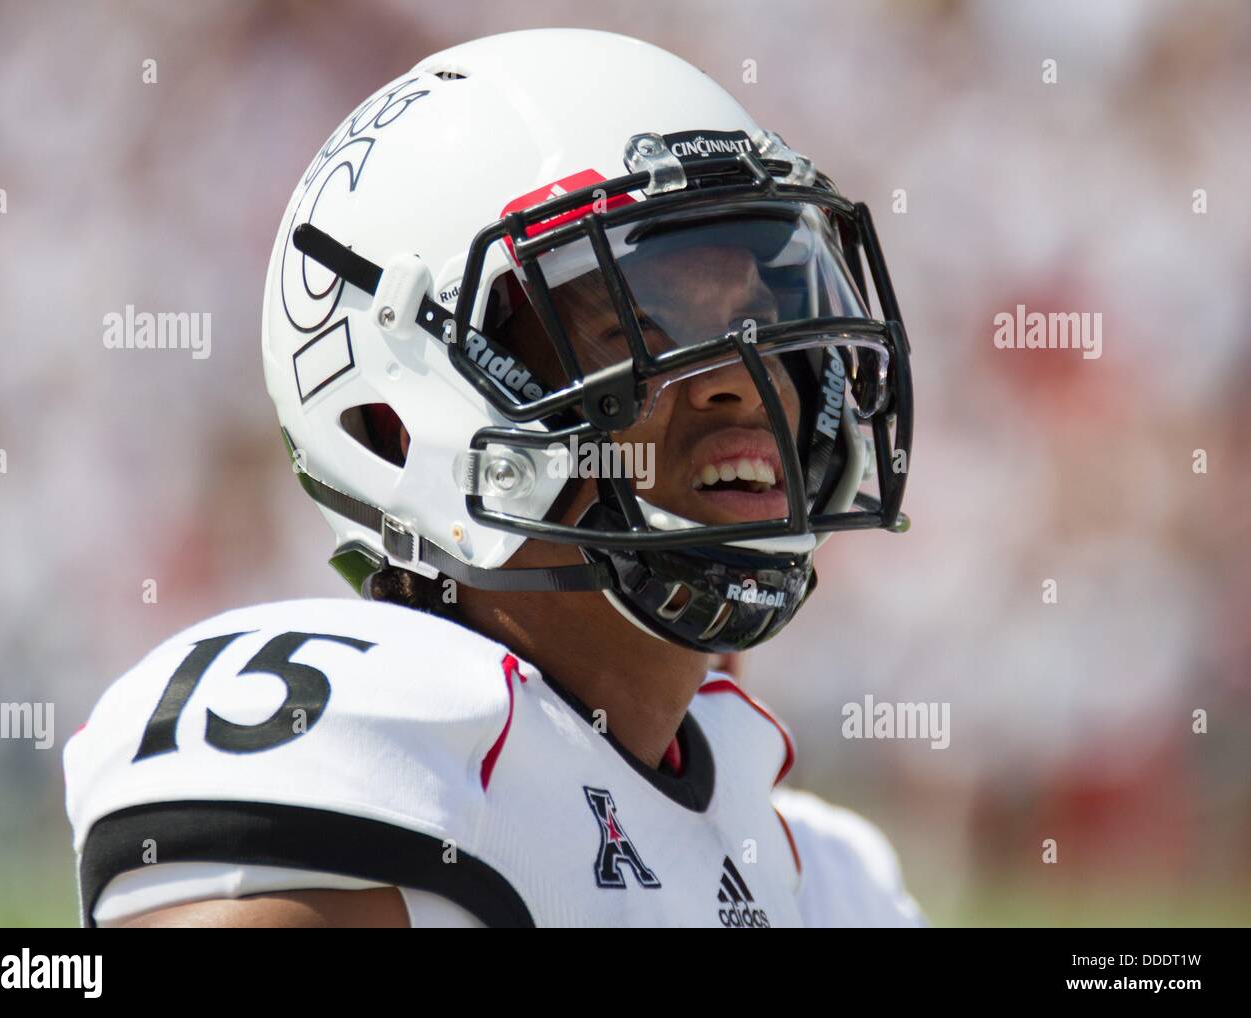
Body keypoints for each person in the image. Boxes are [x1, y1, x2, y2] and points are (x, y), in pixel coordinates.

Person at [64, 27, 921, 928]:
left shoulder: (819, 874)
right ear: (402, 399)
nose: (744, 375)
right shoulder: (399, 755)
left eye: (760, 315)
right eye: (645, 325)